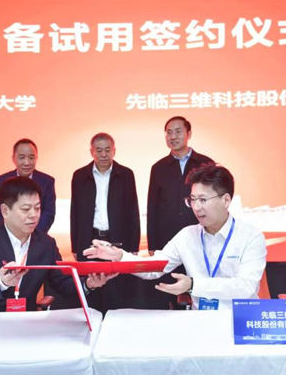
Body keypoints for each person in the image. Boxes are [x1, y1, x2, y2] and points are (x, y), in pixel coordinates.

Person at [85, 163, 266, 311]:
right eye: (192, 199)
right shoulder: (187, 236)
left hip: (241, 322)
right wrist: (120, 256)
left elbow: (245, 287)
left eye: (203, 200)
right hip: (201, 322)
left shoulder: (251, 237)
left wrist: (193, 285)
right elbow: (154, 268)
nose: (196, 207)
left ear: (226, 200)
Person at [0, 176, 115, 312]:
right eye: (26, 209)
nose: (33, 215)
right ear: (5, 211)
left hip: (24, 321)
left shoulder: (46, 244)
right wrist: (1, 281)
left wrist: (89, 283)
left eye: (37, 208)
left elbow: (62, 284)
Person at [143, 116, 213, 308]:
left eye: (178, 131)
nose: (173, 136)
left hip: (201, 237)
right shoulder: (158, 168)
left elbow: (212, 201)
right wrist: (153, 243)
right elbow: (152, 206)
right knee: (167, 289)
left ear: (188, 134)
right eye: (169, 132)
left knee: (199, 285)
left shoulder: (205, 164)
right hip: (168, 240)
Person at [70, 133, 141, 311]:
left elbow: (133, 211)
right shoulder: (80, 176)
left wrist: (134, 246)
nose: (103, 155)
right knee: (91, 286)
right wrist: (75, 246)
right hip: (89, 239)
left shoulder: (126, 175)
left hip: (117, 239)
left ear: (114, 151)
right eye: (99, 150)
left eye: (107, 150)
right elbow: (74, 212)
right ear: (91, 152)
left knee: (118, 288)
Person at [0, 139, 56, 233]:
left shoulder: (47, 181)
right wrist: (11, 235)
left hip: (36, 236)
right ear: (13, 159)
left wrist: (32, 235)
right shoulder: (0, 182)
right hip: (8, 237)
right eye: (21, 157)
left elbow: (48, 213)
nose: (27, 163)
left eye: (31, 157)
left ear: (36, 158)